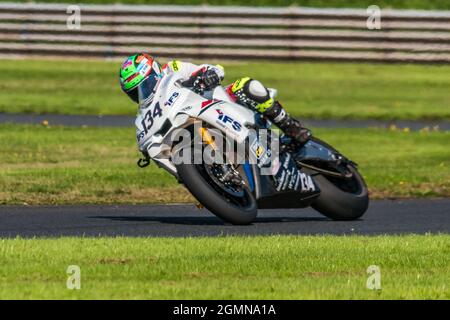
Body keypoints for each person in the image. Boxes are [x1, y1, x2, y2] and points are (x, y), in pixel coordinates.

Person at [119, 53, 311, 155]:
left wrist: (209, 74)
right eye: (135, 93)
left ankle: (291, 127)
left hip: (219, 101)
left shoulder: (172, 69)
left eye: (145, 85)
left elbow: (209, 68)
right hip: (193, 120)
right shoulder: (147, 112)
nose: (142, 93)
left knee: (247, 86)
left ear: (154, 71)